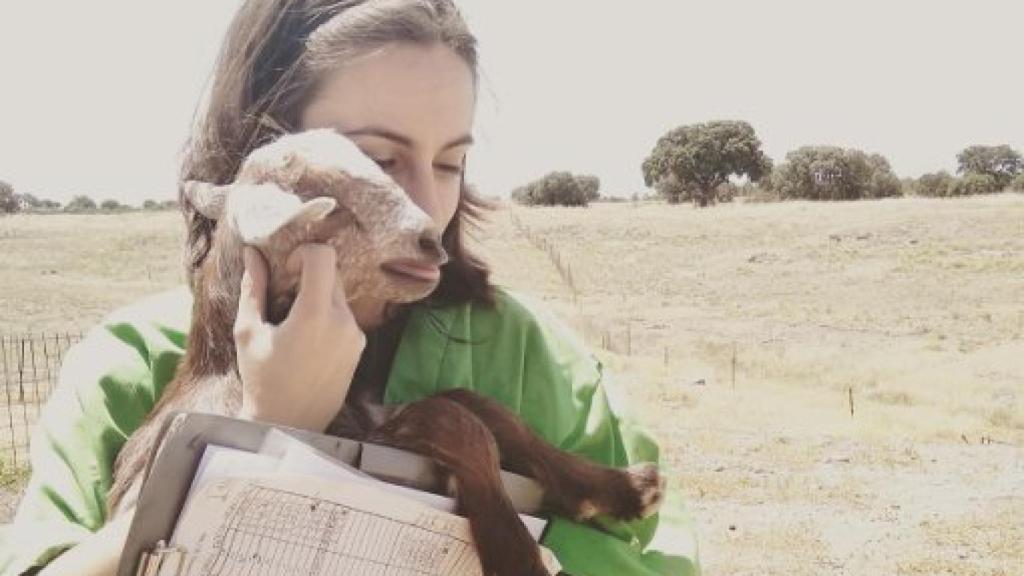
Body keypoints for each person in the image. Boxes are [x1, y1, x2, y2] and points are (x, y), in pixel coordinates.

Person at [0, 1, 700, 574]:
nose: (424, 206)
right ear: (265, 155)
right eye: (375, 159)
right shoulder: (130, 364)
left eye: (451, 162)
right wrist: (265, 429)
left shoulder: (524, 353)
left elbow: (648, 554)